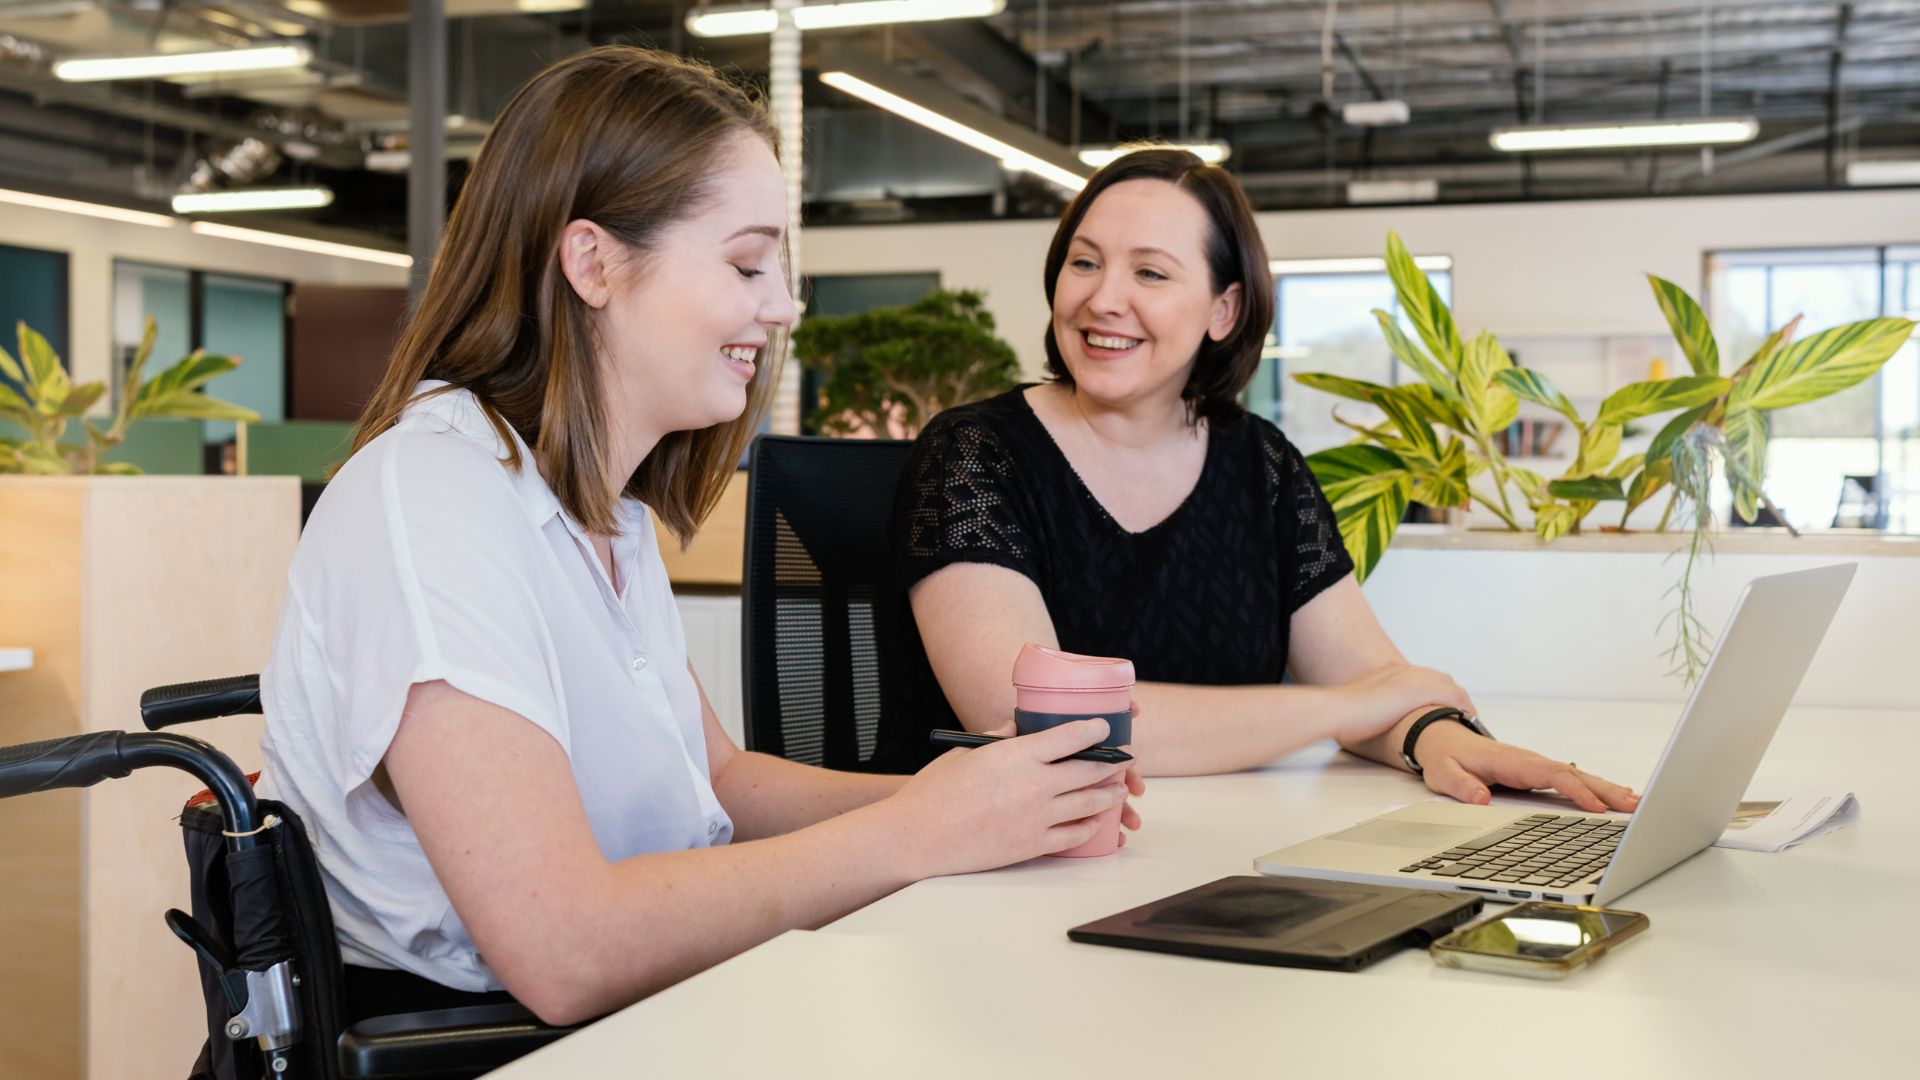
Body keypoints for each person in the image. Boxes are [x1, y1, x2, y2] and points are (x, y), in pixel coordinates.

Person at [256, 46, 1140, 1028]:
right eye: (748, 263)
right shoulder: (429, 504)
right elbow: (566, 948)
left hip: (645, 1014)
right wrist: (917, 834)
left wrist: (967, 800)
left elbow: (714, 781)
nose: (783, 304)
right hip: (495, 1041)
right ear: (591, 261)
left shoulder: (602, 510)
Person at [876, 148, 1640, 817]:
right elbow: (1037, 720)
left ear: (1224, 308)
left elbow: (1371, 678)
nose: (1103, 298)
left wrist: (1432, 738)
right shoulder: (974, 455)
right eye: (1085, 261)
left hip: (1217, 849)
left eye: (1149, 271)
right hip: (998, 872)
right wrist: (1346, 707)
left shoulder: (1261, 464)